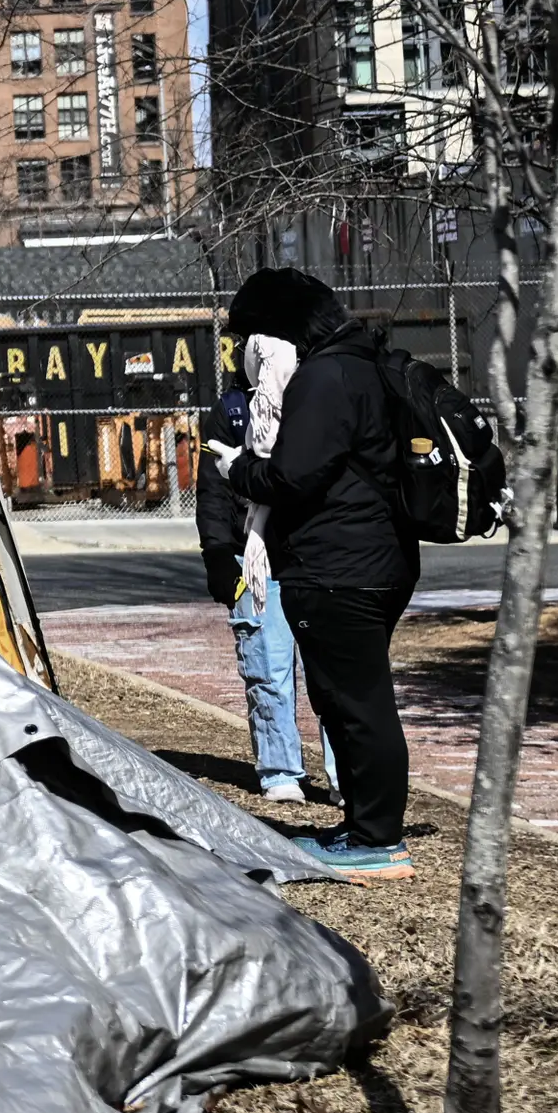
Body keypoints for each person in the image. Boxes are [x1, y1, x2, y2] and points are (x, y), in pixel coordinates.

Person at [205, 267, 416, 879]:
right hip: (367, 561)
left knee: (357, 705)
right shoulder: (359, 364)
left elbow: (291, 476)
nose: (250, 354)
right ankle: (362, 828)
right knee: (352, 700)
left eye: (253, 339)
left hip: (340, 569)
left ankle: (377, 837)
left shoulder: (325, 378)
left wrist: (236, 471)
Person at [194, 338, 317, 802]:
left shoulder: (316, 403)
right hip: (252, 554)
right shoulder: (233, 411)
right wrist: (217, 553)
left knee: (332, 668)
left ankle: (347, 774)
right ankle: (281, 770)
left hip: (312, 550)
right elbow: (213, 488)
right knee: (266, 665)